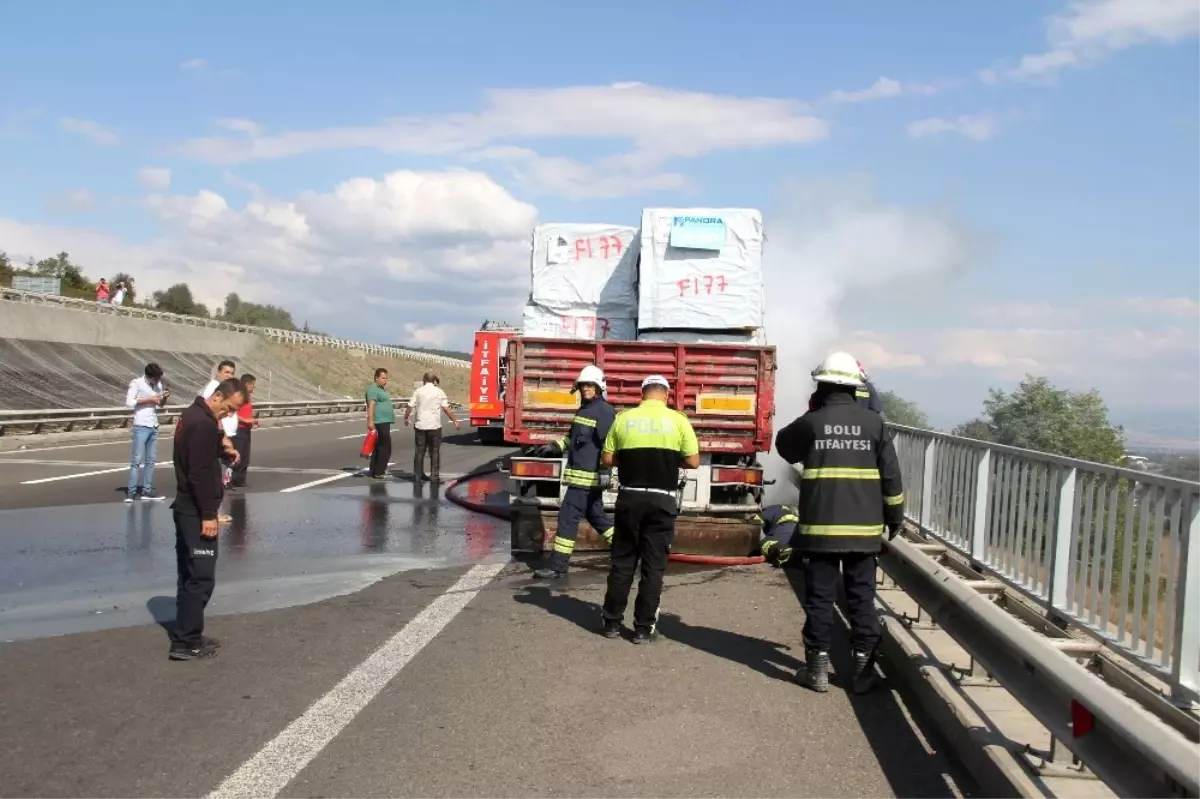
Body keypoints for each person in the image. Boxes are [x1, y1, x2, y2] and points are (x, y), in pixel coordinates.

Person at [774, 351, 905, 694]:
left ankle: (816, 671)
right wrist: (895, 519)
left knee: (819, 599)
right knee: (861, 598)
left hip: (819, 533)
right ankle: (862, 672)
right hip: (864, 533)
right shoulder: (875, 424)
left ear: (820, 386)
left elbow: (784, 447)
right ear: (856, 388)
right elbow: (891, 478)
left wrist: (813, 418)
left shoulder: (812, 422)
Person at [599, 374, 700, 644]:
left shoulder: (624, 418)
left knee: (623, 563)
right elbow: (693, 461)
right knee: (653, 568)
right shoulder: (678, 420)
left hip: (629, 499)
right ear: (666, 395)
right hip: (662, 501)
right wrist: (667, 463)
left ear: (642, 394)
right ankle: (643, 629)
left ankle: (611, 622)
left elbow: (607, 458)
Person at [168, 377, 245, 660]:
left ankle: (188, 632)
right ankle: (186, 642)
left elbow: (199, 454)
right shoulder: (201, 423)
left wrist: (223, 448)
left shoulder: (194, 415)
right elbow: (198, 473)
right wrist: (209, 515)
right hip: (195, 510)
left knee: (189, 574)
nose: (230, 414)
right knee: (200, 578)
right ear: (217, 397)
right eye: (229, 408)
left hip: (186, 507)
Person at [529, 365, 616, 579]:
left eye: (590, 385)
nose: (586, 389)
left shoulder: (604, 412)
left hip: (587, 480)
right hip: (582, 480)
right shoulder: (584, 410)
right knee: (598, 518)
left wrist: (606, 470)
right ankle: (631, 551)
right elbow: (572, 439)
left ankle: (558, 566)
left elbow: (610, 444)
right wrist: (552, 447)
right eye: (583, 385)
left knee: (568, 519)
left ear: (599, 387)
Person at [124, 362, 169, 502]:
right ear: (148, 376)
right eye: (155, 379)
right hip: (141, 424)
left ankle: (147, 490)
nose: (157, 381)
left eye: (158, 379)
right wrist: (149, 399)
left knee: (151, 460)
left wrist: (165, 397)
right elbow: (129, 402)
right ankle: (131, 491)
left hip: (153, 423)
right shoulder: (136, 383)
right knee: (136, 460)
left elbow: (160, 404)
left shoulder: (158, 385)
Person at [404, 371, 460, 482]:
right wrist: (454, 420)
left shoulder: (418, 391)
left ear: (424, 380)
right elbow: (446, 408)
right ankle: (434, 476)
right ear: (434, 381)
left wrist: (406, 417)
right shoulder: (439, 392)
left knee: (419, 451)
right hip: (434, 426)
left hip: (420, 425)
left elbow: (410, 405)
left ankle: (417, 475)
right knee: (434, 452)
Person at [229, 373, 259, 489]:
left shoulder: (247, 397)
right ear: (247, 384)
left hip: (246, 429)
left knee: (245, 456)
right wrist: (246, 420)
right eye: (253, 384)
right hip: (239, 430)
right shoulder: (239, 396)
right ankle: (233, 479)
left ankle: (240, 480)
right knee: (238, 456)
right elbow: (233, 412)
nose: (254, 387)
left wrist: (251, 421)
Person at [365, 368, 394, 480]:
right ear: (376, 377)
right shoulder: (373, 390)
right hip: (379, 421)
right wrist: (370, 421)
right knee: (385, 447)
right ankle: (379, 471)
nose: (385, 380)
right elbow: (371, 405)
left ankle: (374, 470)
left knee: (378, 446)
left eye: (386, 378)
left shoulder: (381, 390)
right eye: (383, 378)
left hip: (384, 420)